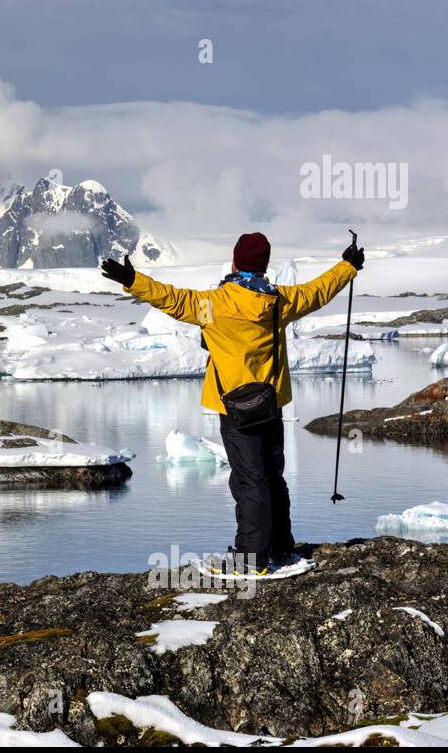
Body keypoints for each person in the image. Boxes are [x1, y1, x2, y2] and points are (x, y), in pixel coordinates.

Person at [101, 232, 364, 574]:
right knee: (273, 476)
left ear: (236, 262)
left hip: (234, 407)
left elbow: (171, 299)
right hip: (271, 404)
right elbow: (318, 291)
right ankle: (281, 547)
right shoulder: (280, 301)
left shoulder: (214, 304)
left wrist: (132, 280)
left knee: (248, 480)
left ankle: (251, 560)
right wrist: (347, 266)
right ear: (265, 264)